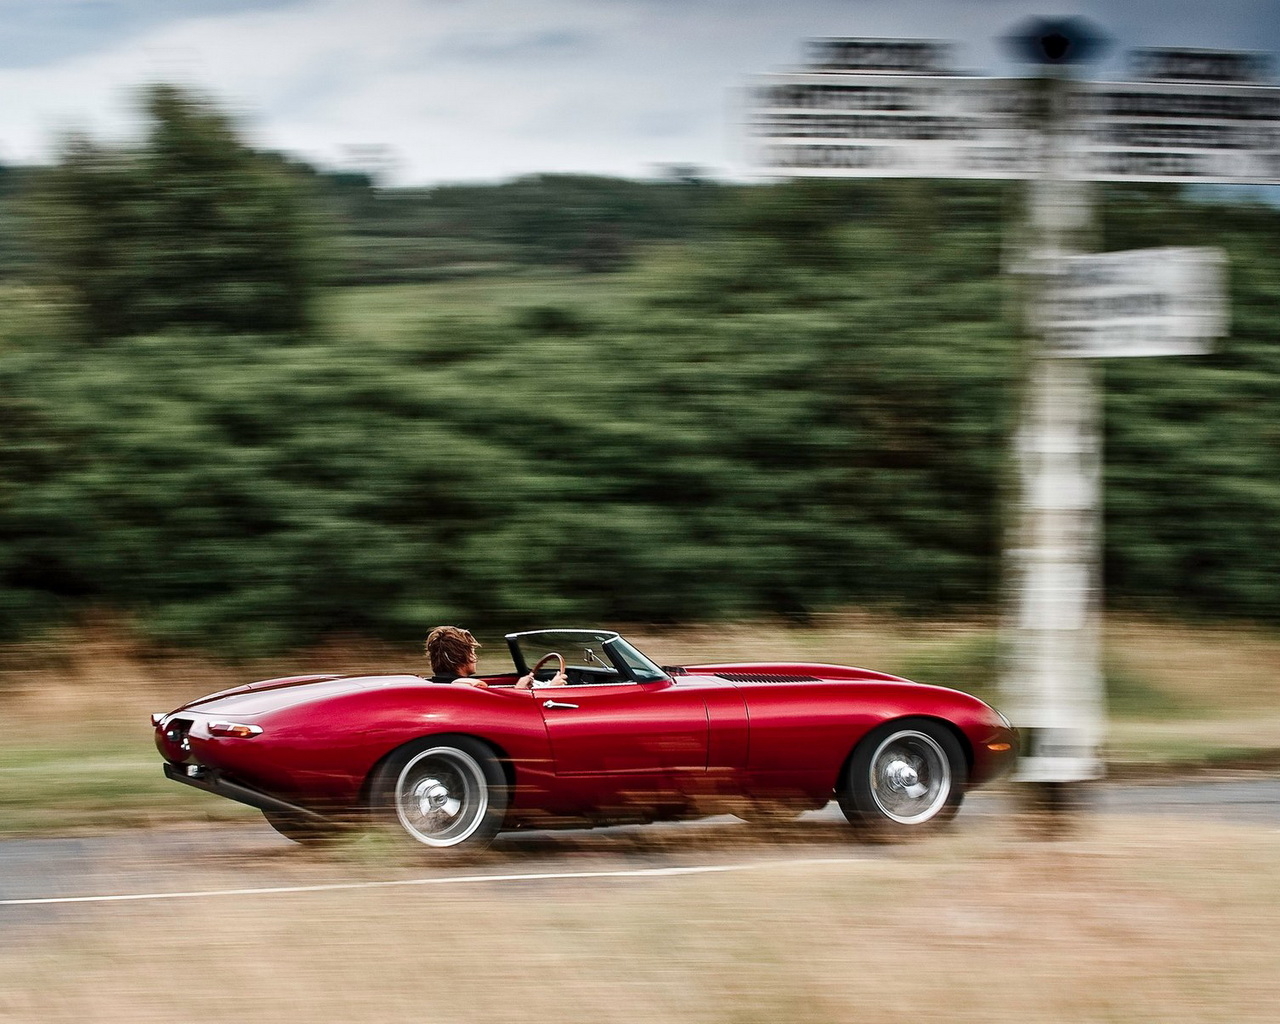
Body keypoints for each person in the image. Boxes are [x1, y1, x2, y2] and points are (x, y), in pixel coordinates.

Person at [423, 626, 565, 689]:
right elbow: (502, 715)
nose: (474, 656)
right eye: (472, 651)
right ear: (462, 656)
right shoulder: (470, 687)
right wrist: (551, 687)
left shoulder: (433, 685)